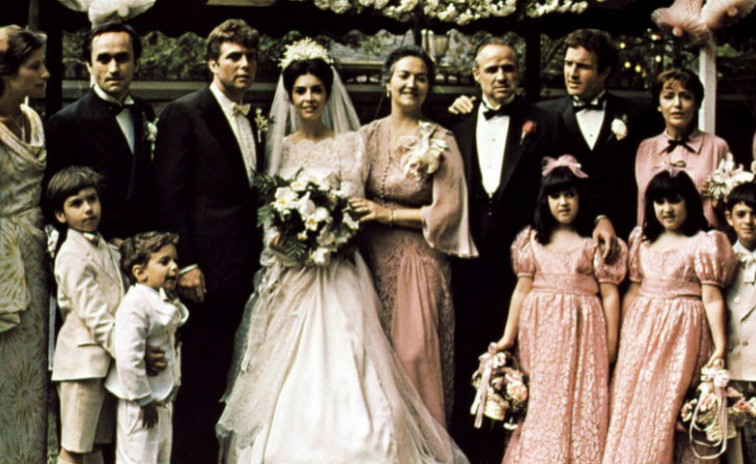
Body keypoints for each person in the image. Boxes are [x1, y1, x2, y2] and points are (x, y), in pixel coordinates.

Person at [217, 41, 468, 464]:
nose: (309, 98)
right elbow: (267, 211)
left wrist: (327, 234)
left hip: (338, 270)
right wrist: (284, 238)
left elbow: (352, 207)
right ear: (289, 96)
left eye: (317, 89)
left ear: (328, 94)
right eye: (300, 91)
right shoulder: (279, 146)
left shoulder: (352, 144)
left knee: (354, 362)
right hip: (292, 275)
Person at [153, 19, 264, 463]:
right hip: (204, 272)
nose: (244, 64)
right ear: (212, 63)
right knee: (199, 377)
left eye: (250, 57)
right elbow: (170, 194)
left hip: (245, 270)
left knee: (228, 373)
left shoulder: (252, 117)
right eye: (234, 56)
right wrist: (186, 263)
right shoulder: (185, 113)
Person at [357, 45, 478, 427]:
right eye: (404, 76)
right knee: (367, 354)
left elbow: (448, 211)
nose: (411, 84)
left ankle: (421, 443)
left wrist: (388, 214)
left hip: (419, 259)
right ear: (387, 82)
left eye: (421, 78)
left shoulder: (441, 139)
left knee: (413, 354)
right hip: (367, 260)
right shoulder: (365, 136)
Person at [446, 38, 554, 461]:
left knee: (523, 355)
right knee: (469, 350)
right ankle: (470, 447)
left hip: (522, 264)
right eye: (491, 69)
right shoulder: (456, 124)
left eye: (508, 68)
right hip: (469, 263)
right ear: (476, 75)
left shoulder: (542, 122)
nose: (501, 76)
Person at [493, 155, 626, 464]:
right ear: (545, 200)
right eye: (555, 196)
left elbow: (610, 296)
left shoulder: (592, 244)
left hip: (584, 335)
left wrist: (610, 346)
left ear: (581, 198)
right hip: (542, 336)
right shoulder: (533, 241)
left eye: (570, 195)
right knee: (544, 398)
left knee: (581, 399)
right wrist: (508, 337)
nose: (563, 203)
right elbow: (521, 290)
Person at [602, 170, 737, 464]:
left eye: (675, 201)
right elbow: (632, 292)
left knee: (669, 406)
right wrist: (624, 339)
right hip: (641, 335)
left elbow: (712, 298)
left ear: (689, 202)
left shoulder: (704, 243)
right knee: (638, 405)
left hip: (683, 335)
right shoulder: (643, 242)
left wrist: (719, 346)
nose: (667, 209)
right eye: (660, 202)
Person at [538, 28, 660, 242]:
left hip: (624, 233)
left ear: (604, 72)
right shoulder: (544, 115)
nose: (572, 73)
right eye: (568, 64)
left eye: (583, 66)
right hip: (565, 237)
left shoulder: (638, 115)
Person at [45, 21, 156, 241]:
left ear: (136, 64)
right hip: (97, 244)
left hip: (146, 242)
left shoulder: (144, 111)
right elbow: (54, 199)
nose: (114, 69)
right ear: (89, 65)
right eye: (104, 59)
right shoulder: (65, 122)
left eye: (122, 58)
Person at [47, 166, 125, 464]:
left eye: (92, 199)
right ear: (60, 215)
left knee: (94, 446)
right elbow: (94, 315)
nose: (88, 209)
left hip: (103, 363)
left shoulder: (105, 248)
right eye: (76, 204)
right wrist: (127, 352)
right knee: (73, 448)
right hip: (82, 365)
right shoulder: (71, 255)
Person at [0, 24, 50, 463]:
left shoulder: (32, 118)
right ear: (6, 72)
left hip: (34, 254)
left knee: (31, 373)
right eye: (35, 66)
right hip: (1, 261)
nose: (45, 74)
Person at [105, 231, 188, 464]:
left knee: (161, 457)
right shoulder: (135, 305)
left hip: (162, 399)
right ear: (140, 272)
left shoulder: (162, 299)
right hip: (139, 403)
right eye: (164, 262)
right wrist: (142, 399)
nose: (174, 267)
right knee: (137, 458)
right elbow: (128, 357)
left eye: (175, 261)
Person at [635, 68, 743, 229]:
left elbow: (734, 206)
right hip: (658, 240)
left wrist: (718, 201)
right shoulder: (646, 148)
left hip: (705, 238)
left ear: (697, 104)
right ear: (658, 105)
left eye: (685, 96)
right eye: (668, 97)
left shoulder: (717, 146)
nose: (677, 104)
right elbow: (643, 204)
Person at [723, 182, 756, 464]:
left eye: (755, 214)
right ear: (729, 217)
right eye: (741, 214)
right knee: (737, 450)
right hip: (733, 367)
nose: (749, 221)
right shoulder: (721, 259)